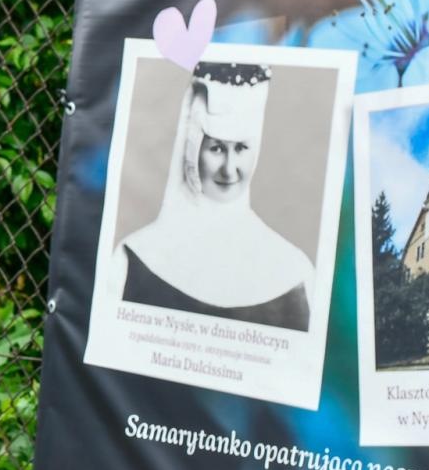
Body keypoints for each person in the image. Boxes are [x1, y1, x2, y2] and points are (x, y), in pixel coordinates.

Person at [110, 61, 314, 331]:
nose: (229, 170)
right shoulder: (132, 257)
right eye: (216, 148)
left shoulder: (294, 271)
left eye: (241, 148)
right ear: (192, 147)